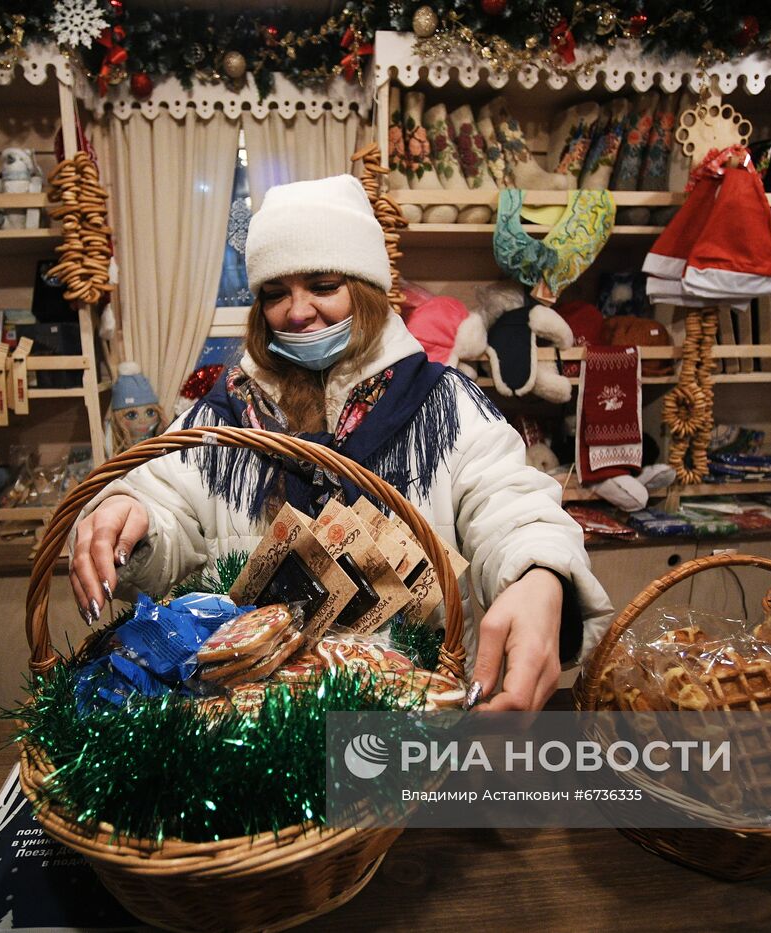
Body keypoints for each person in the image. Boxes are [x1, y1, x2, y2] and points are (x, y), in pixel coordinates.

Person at [71, 174, 612, 710]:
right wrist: (129, 518)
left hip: (417, 726)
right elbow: (164, 509)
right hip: (252, 732)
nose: (298, 311)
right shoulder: (220, 417)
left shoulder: (442, 405)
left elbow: (510, 505)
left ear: (368, 290)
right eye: (276, 293)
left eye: (324, 286)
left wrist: (539, 574)